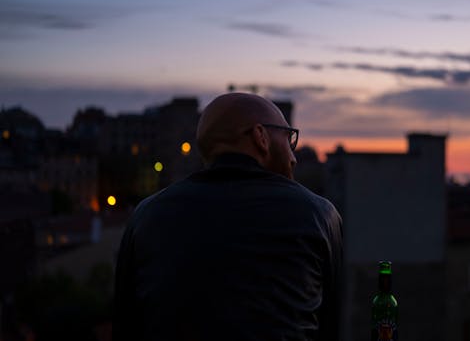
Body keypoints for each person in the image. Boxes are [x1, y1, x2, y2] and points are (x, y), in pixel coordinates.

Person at [113, 92, 343, 341]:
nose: (293, 157)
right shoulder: (319, 215)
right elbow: (329, 326)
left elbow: (126, 325)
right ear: (261, 137)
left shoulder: (146, 215)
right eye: (289, 139)